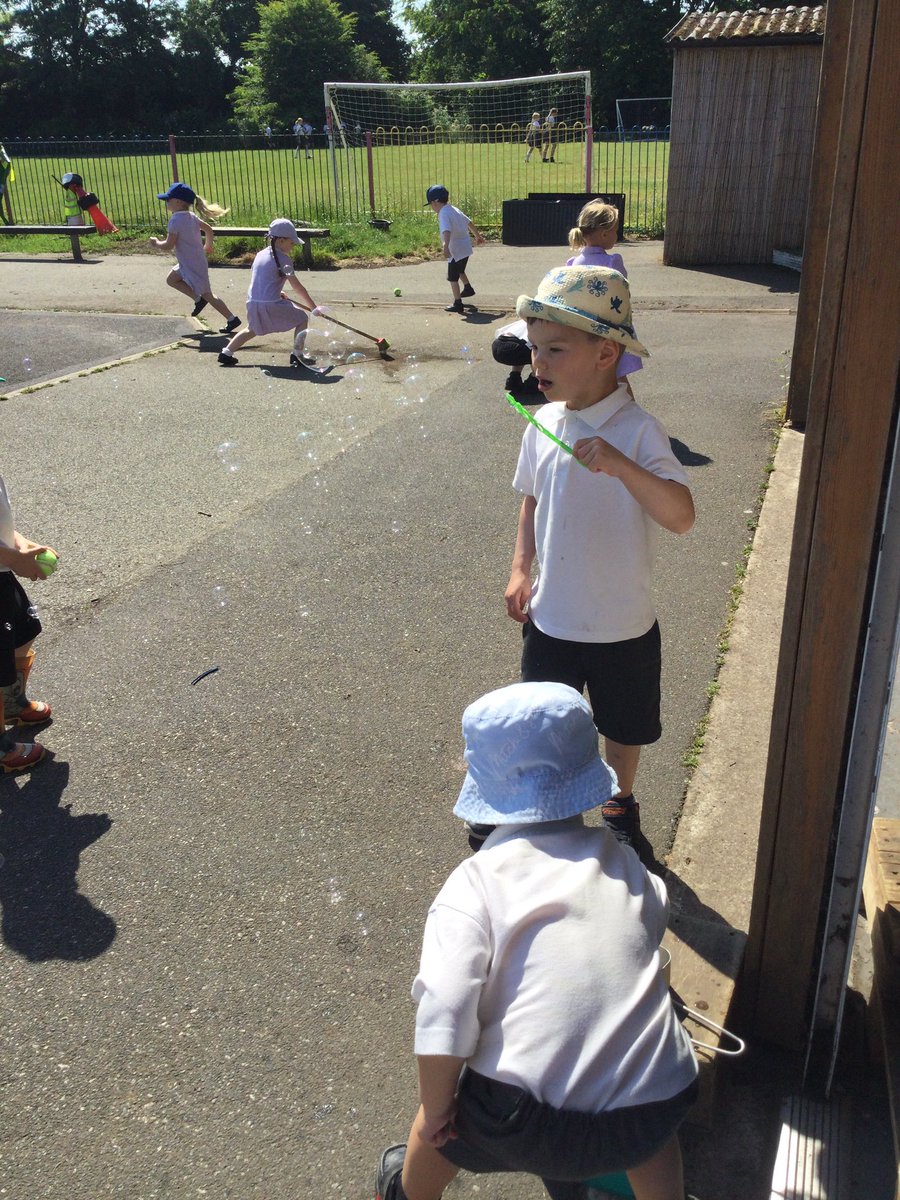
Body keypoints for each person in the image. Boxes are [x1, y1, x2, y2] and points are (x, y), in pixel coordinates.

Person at [374, 680, 700, 1200]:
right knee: (655, 1144)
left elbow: (446, 1007)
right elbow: (655, 908)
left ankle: (405, 1193)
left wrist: (439, 1108)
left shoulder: (475, 883)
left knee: (437, 1129)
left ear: (485, 800)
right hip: (656, 1105)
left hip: (519, 1120)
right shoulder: (622, 862)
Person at [501, 266, 695, 857]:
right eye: (535, 348)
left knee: (623, 725)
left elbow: (681, 515)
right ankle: (550, 811)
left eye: (556, 349)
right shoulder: (543, 424)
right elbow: (531, 499)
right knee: (547, 721)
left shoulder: (637, 432)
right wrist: (520, 568)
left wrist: (622, 464)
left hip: (622, 622)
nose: (539, 362)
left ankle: (619, 799)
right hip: (553, 615)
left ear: (606, 353)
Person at [0, 473, 55, 774]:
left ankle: (10, 703)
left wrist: (19, 547)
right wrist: (13, 557)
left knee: (24, 632)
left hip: (2, 570)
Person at [217, 218, 321, 370]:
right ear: (281, 240)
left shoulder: (260, 254)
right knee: (302, 318)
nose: (293, 246)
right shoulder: (284, 260)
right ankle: (297, 354)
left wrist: (278, 292)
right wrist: (313, 307)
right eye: (291, 242)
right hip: (271, 304)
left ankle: (226, 352)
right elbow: (298, 287)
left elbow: (262, 279)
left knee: (252, 329)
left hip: (253, 302)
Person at [150, 182, 241, 332]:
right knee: (171, 279)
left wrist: (156, 243)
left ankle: (232, 319)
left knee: (208, 294)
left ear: (178, 202)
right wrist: (208, 245)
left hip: (192, 264)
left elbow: (168, 245)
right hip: (190, 261)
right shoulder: (190, 216)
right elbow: (209, 229)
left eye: (168, 199)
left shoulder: (175, 221)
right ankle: (198, 299)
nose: (166, 202)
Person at [424, 184, 484, 315]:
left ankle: (458, 303)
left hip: (455, 250)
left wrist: (445, 247)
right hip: (465, 247)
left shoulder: (443, 214)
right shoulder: (453, 209)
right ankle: (468, 288)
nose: (431, 207)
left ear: (435, 202)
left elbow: (446, 231)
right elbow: (468, 222)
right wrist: (477, 235)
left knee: (452, 277)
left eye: (430, 204)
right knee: (460, 269)